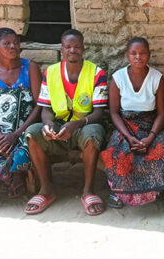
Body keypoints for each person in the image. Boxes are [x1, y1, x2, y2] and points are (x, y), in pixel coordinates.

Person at [24, 29, 107, 216]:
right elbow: (45, 109)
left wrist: (76, 125)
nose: (72, 50)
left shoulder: (96, 72)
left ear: (83, 48)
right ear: (61, 49)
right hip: (58, 127)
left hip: (84, 125)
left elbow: (99, 113)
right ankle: (46, 190)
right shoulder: (51, 72)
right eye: (68, 46)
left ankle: (88, 191)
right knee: (33, 132)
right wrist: (48, 125)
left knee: (94, 132)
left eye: (77, 46)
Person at [101, 37, 164, 208]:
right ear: (127, 55)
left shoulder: (156, 78)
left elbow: (161, 113)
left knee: (163, 148)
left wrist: (150, 138)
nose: (138, 57)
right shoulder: (119, 78)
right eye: (133, 53)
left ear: (149, 55)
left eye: (142, 53)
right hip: (125, 126)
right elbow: (114, 113)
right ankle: (119, 192)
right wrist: (128, 137)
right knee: (117, 150)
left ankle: (153, 190)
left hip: (150, 126)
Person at [0, 28, 41, 197]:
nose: (13, 46)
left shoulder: (30, 68)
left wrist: (16, 134)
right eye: (7, 43)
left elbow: (39, 105)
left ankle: (16, 177)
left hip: (25, 128)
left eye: (16, 43)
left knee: (24, 149)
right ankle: (9, 177)